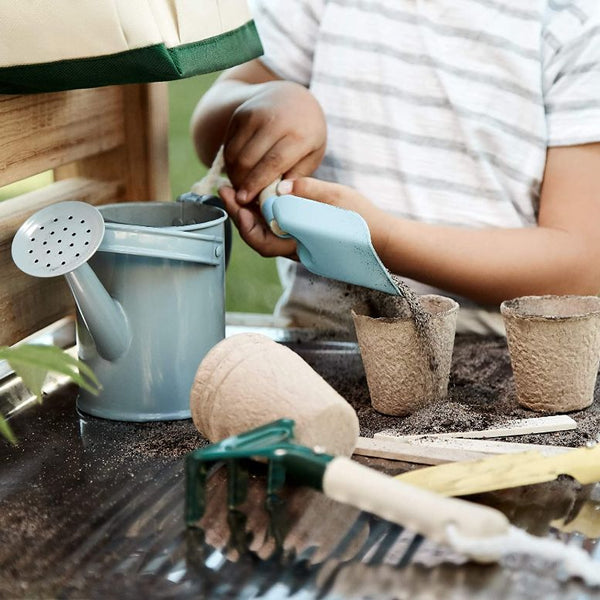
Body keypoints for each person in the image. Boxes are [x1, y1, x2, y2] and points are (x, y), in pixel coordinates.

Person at [191, 0, 600, 336]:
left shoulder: (573, 20)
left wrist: (378, 241)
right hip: (325, 341)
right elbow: (210, 127)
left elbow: (581, 264)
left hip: (503, 364)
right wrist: (271, 101)